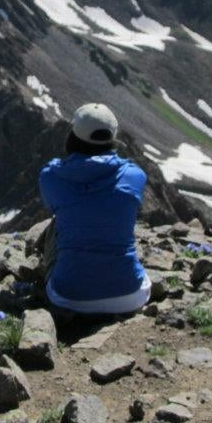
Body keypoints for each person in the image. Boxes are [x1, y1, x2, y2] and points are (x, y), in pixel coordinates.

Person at [38, 102, 151, 316]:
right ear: (112, 137)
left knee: (57, 224)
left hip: (68, 296)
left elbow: (52, 206)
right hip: (129, 296)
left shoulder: (51, 177)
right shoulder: (135, 176)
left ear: (73, 135)